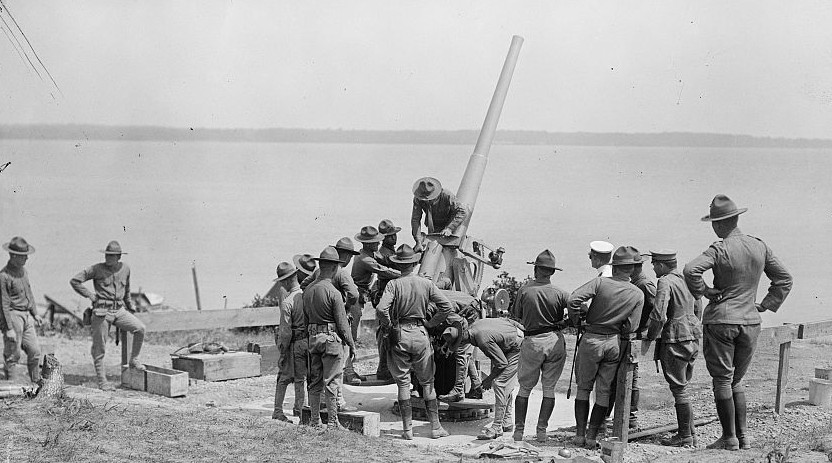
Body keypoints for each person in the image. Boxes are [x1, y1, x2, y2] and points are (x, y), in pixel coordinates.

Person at [684, 194, 792, 450]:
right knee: (737, 380)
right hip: (751, 322)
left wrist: (704, 291)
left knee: (722, 380)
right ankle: (743, 437)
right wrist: (765, 304)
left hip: (722, 321)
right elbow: (784, 279)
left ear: (719, 224)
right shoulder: (759, 246)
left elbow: (690, 270)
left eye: (713, 222)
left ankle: (729, 438)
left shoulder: (719, 248)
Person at [567, 246, 644, 449]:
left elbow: (573, 299)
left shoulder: (601, 282)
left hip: (592, 338)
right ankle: (592, 437)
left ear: (615, 266)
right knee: (603, 391)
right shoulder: (637, 293)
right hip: (614, 342)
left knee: (583, 388)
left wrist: (577, 321)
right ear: (632, 269)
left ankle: (579, 436)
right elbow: (632, 326)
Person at [376, 244, 453, 439]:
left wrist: (388, 325)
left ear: (398, 264)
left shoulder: (393, 285)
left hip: (399, 333)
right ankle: (435, 428)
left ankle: (407, 430)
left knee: (402, 384)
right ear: (415, 262)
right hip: (420, 333)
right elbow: (446, 306)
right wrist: (429, 323)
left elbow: (380, 309)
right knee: (428, 383)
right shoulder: (425, 284)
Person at [639, 250, 702, 447]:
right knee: (684, 386)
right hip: (693, 336)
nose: (653, 267)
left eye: (655, 264)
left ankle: (684, 436)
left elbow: (659, 313)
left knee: (679, 389)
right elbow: (699, 307)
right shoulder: (688, 279)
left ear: (663, 265)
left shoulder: (665, 282)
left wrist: (650, 336)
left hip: (675, 338)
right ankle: (690, 433)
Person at [70, 240, 146, 391]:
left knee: (140, 328)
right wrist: (90, 295)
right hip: (101, 312)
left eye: (111, 256)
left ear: (118, 256)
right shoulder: (96, 269)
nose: (107, 258)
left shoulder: (125, 269)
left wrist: (130, 305)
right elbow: (75, 281)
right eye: (106, 255)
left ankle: (134, 360)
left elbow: (128, 290)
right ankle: (102, 382)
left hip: (119, 310)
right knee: (100, 348)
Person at [510, 250, 570, 443]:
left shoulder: (525, 290)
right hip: (554, 340)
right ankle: (541, 431)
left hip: (532, 342)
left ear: (536, 269)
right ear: (552, 272)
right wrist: (566, 322)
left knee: (524, 389)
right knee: (549, 389)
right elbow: (580, 308)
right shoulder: (560, 293)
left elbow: (516, 313)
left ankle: (519, 431)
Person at [442, 317, 525, 440]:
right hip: (510, 341)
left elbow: (501, 363)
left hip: (516, 347)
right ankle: (506, 422)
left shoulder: (482, 340)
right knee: (505, 383)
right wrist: (522, 329)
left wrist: (488, 380)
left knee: (500, 384)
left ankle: (497, 426)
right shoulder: (476, 326)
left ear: (462, 341)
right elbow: (506, 320)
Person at [302, 246, 356, 429]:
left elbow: (306, 320)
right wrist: (352, 344)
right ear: (334, 268)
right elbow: (342, 325)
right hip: (331, 341)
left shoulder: (308, 291)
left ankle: (315, 421)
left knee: (314, 382)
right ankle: (333, 422)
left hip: (313, 339)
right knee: (332, 382)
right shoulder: (334, 293)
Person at [606, 252, 656, 430]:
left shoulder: (643, 284)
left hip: (635, 336)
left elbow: (657, 307)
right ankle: (625, 418)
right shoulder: (635, 283)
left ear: (634, 267)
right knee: (623, 377)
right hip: (630, 334)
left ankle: (630, 419)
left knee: (630, 377)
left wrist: (646, 329)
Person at [352, 225, 401, 384]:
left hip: (361, 295)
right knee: (352, 336)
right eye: (376, 241)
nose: (378, 244)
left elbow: (383, 261)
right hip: (356, 296)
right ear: (368, 244)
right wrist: (403, 274)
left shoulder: (368, 254)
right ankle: (349, 371)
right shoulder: (365, 258)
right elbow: (381, 269)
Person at [1, 236, 43, 384]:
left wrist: (35, 313)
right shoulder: (4, 276)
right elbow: (3, 304)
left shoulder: (23, 271)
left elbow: (29, 294)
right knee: (13, 353)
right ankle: (11, 384)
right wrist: (9, 328)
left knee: (35, 351)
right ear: (13, 256)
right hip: (13, 316)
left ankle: (36, 383)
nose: (27, 259)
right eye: (23, 256)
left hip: (26, 316)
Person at [273, 262, 307, 421]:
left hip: (293, 344)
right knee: (303, 379)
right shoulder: (307, 296)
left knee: (283, 377)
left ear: (286, 281)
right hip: (308, 341)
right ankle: (300, 410)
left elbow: (285, 332)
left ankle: (278, 411)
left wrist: (282, 351)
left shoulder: (288, 302)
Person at [410, 177, 469, 252]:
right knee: (432, 249)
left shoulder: (447, 195)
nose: (427, 201)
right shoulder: (418, 198)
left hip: (451, 223)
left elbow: (462, 211)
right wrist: (418, 241)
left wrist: (449, 228)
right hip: (434, 225)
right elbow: (415, 219)